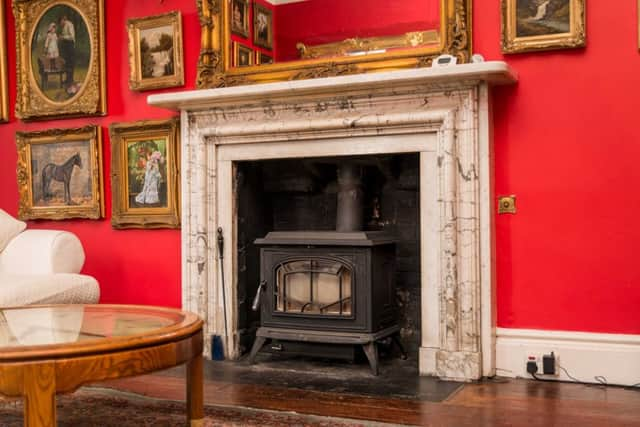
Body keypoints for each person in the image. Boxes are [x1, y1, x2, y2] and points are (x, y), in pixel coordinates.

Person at [58, 15, 75, 85]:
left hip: (70, 45)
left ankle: (70, 80)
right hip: (66, 46)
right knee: (67, 63)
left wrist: (62, 37)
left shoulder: (69, 25)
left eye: (60, 22)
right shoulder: (64, 26)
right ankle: (68, 79)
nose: (60, 24)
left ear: (63, 20)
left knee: (70, 63)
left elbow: (71, 37)